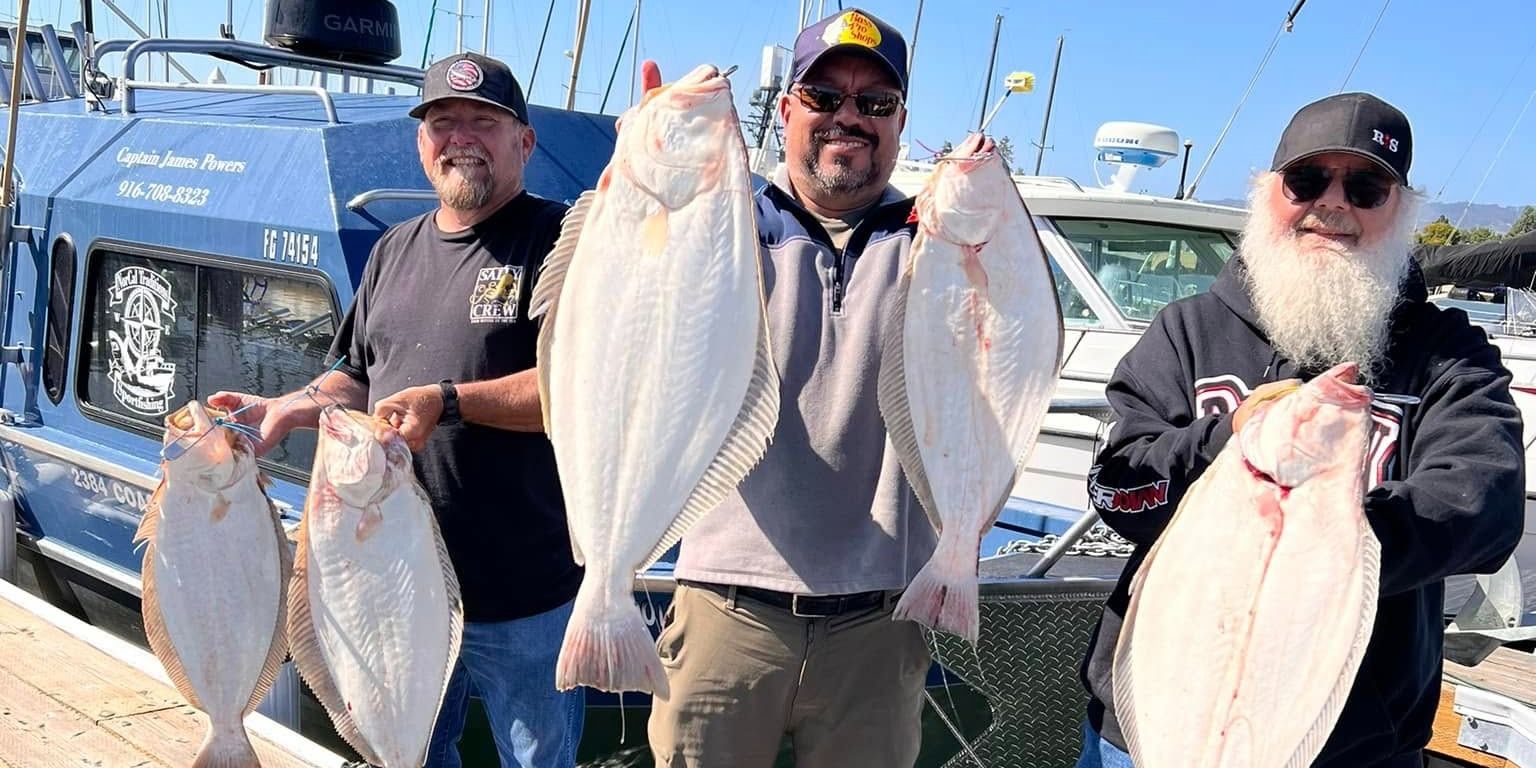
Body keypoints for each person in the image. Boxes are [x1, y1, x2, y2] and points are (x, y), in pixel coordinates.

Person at [1074, 92, 1525, 767]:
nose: (1333, 204)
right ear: (1268, 192)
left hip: (1352, 745)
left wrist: (1321, 533)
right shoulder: (1186, 331)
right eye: (1308, 180)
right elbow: (1119, 491)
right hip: (1156, 724)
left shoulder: (1450, 352)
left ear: (1402, 208)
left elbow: (1485, 508)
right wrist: (1229, 441)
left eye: (1366, 187)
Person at [210, 52, 584, 768]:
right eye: (443, 123)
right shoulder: (393, 249)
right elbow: (355, 374)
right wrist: (286, 407)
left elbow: (578, 388)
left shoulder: (558, 240)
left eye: (483, 121)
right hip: (392, 588)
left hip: (525, 593)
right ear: (421, 143)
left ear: (525, 142)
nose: (460, 137)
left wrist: (447, 401)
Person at [642, 8, 936, 768]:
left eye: (876, 102)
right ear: (785, 110)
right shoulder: (723, 219)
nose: (849, 117)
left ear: (901, 122)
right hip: (724, 605)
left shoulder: (936, 240)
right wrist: (650, 182)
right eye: (824, 97)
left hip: (880, 619)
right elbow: (635, 326)